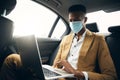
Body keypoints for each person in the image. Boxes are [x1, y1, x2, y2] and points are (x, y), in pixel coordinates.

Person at [0, 4, 117, 80]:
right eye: (70, 20)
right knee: (12, 58)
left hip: (75, 77)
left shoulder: (98, 40)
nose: (73, 23)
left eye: (76, 20)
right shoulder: (66, 39)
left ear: (85, 20)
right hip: (57, 75)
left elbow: (111, 76)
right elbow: (56, 64)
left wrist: (79, 73)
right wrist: (44, 66)